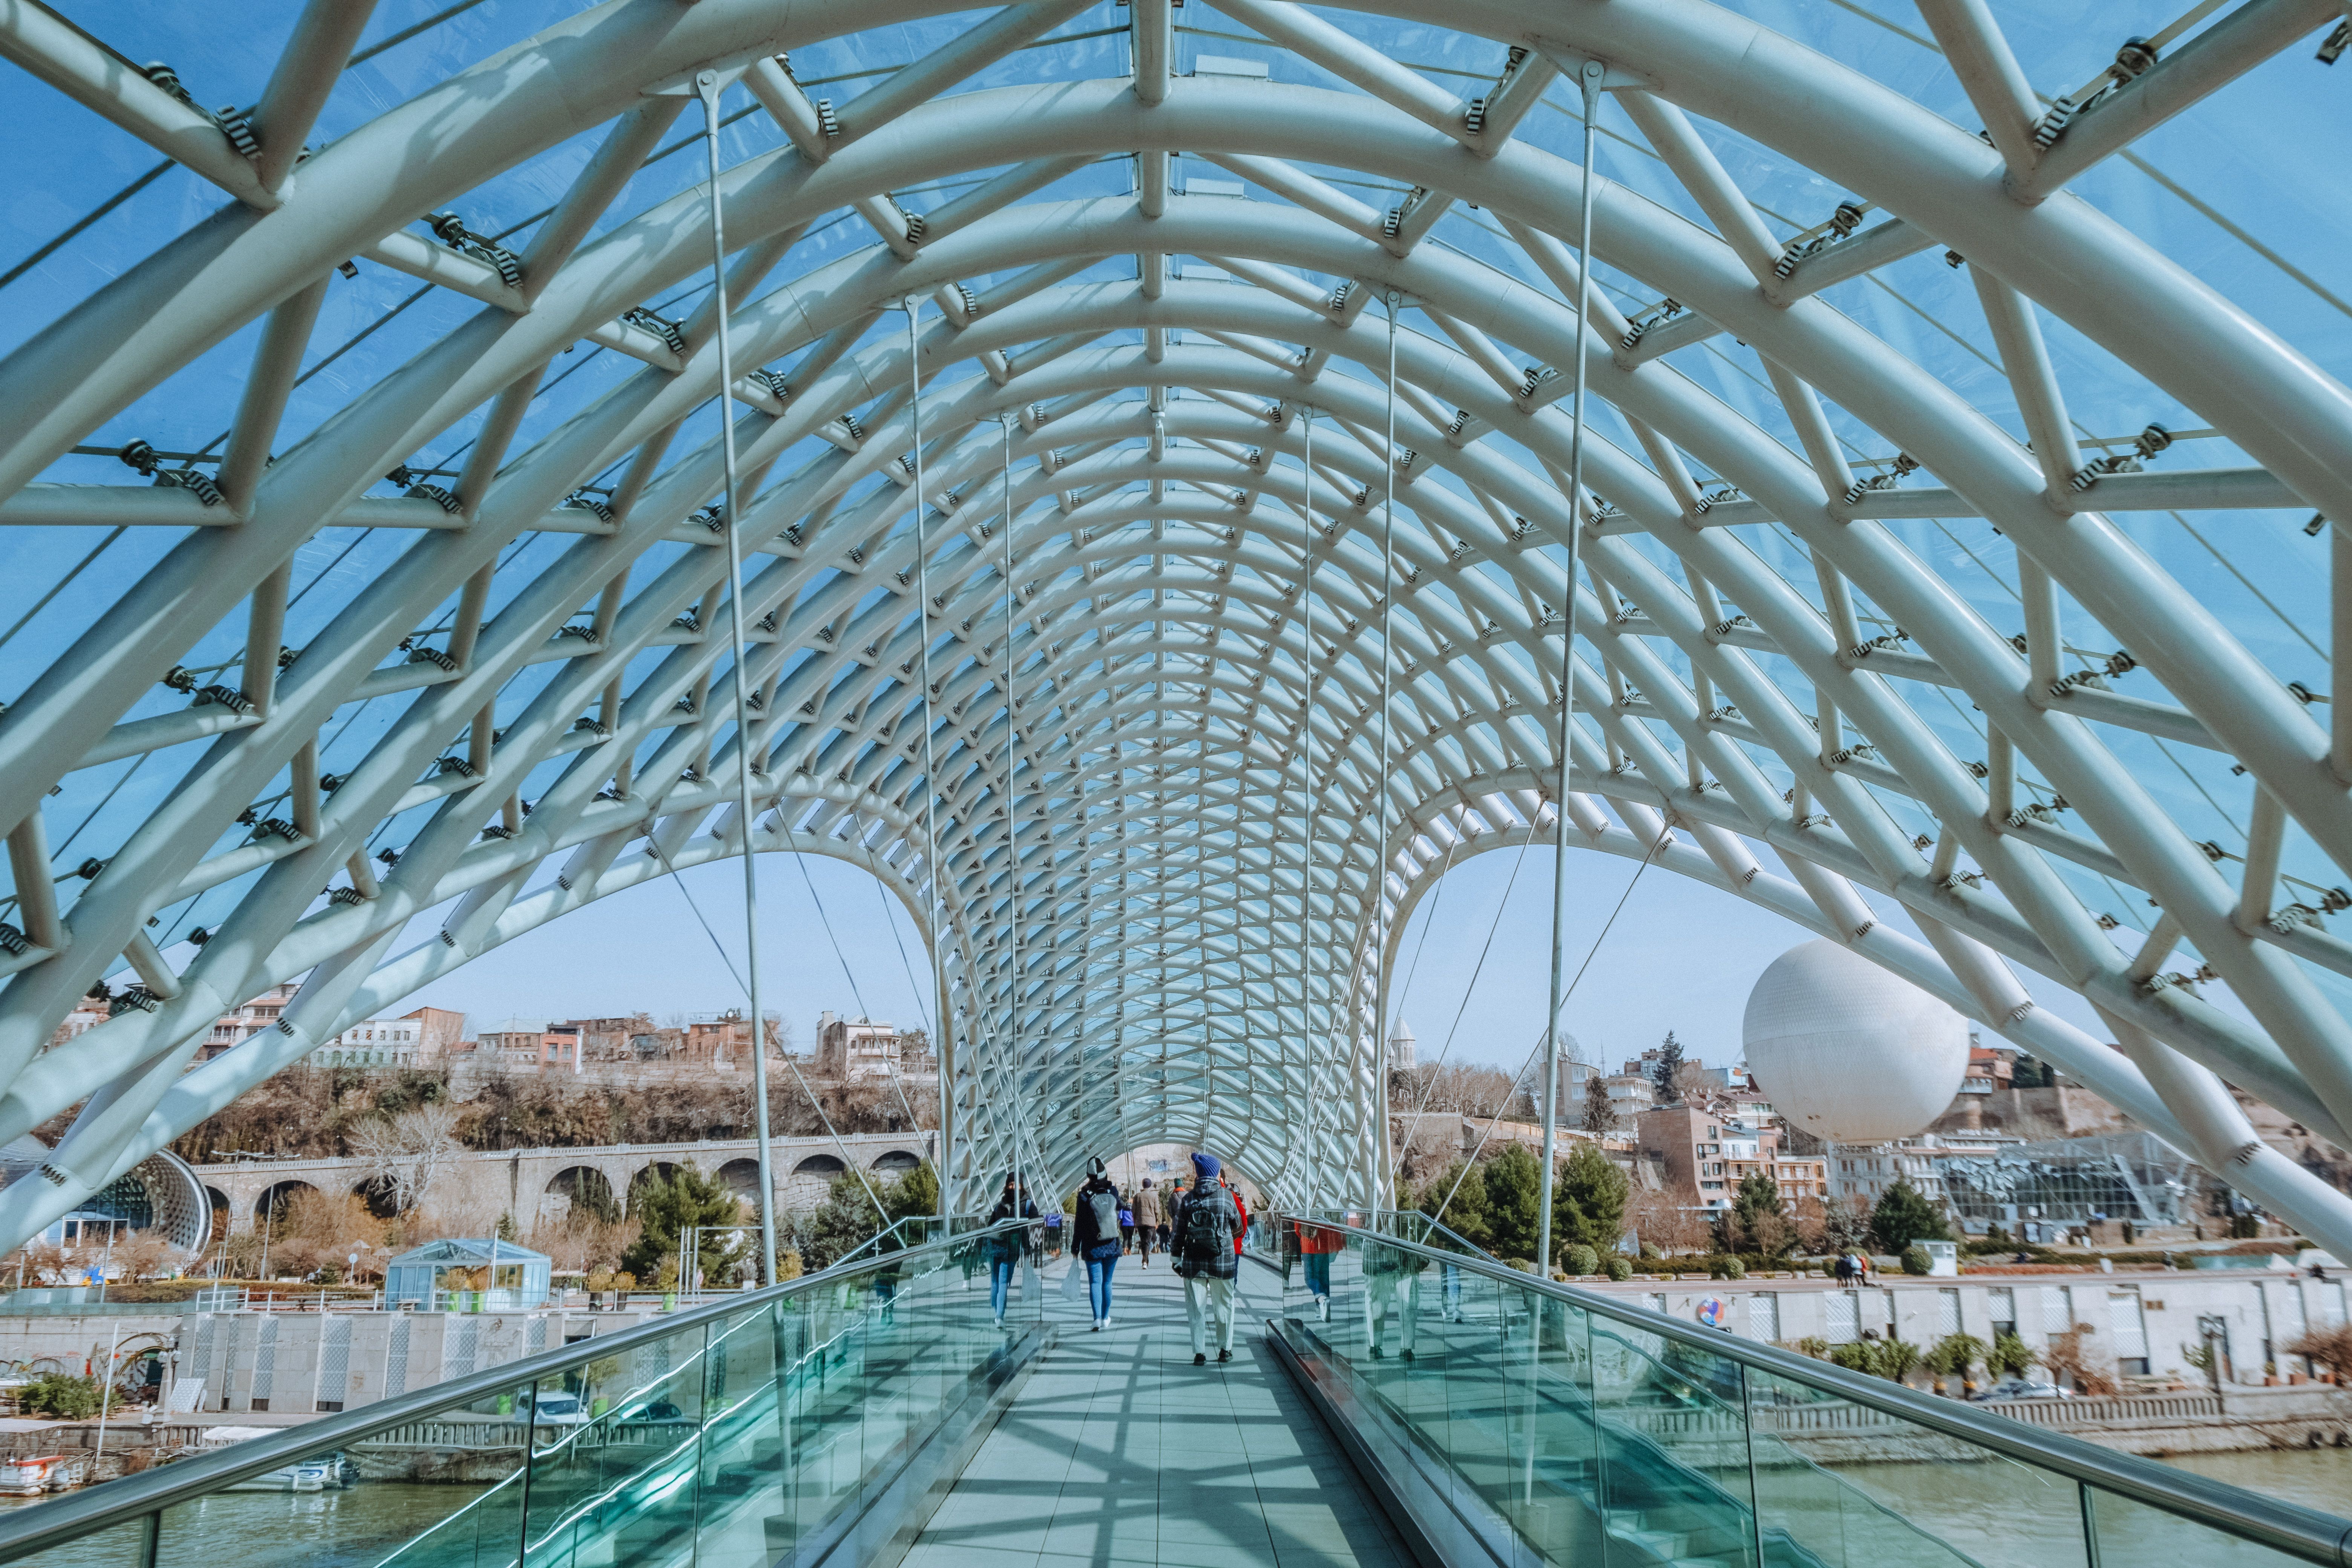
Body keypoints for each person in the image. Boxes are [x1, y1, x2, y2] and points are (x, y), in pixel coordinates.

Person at [1172, 1153, 1244, 1364]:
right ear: (1215, 1173)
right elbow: (1239, 1226)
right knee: (1224, 1306)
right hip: (1223, 1261)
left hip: (1193, 1262)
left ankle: (1199, 1353)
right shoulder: (1226, 1197)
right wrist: (1225, 1238)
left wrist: (1176, 1258)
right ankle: (1225, 1350)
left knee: (1196, 1309)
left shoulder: (1188, 1199)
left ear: (1198, 1174)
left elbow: (1179, 1232)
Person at [1073, 1156, 1123, 1331]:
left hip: (1091, 1244)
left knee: (1095, 1282)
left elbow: (1079, 1222)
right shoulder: (1113, 1191)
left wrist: (1075, 1246)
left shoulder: (1083, 1195)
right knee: (1107, 1283)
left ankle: (1096, 1319)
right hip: (1111, 1242)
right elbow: (1120, 1208)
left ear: (1089, 1175)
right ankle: (1106, 1317)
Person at [985, 1173, 1038, 1329]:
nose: (1014, 1188)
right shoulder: (999, 1206)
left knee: (1002, 1282)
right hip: (996, 1248)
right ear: (1006, 1186)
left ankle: (998, 1314)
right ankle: (998, 1315)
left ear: (1022, 1186)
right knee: (997, 1282)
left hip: (1012, 1249)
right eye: (1011, 1185)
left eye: (1017, 1185)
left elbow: (1035, 1226)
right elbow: (990, 1227)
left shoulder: (1028, 1205)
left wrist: (1029, 1249)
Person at [1296, 1216, 1342, 1320]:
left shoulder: (1304, 1208)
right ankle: (1326, 1309)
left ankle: (1323, 1300)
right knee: (1324, 1278)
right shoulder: (1323, 1211)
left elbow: (1298, 1229)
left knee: (1310, 1278)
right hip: (1324, 1248)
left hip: (1309, 1248)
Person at [1132, 1180, 1163, 1267]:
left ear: (1143, 1185)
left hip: (1140, 1222)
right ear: (1150, 1186)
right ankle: (1145, 1261)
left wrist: (1135, 1221)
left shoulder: (1137, 1197)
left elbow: (1133, 1211)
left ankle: (1145, 1261)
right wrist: (1156, 1220)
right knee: (1148, 1241)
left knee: (1144, 1241)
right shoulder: (1154, 1196)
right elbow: (1157, 1211)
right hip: (1151, 1223)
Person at [1118, 1188, 1137, 1255]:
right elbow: (1135, 1217)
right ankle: (1130, 1250)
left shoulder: (1123, 1210)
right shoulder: (1133, 1210)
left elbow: (1120, 1217)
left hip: (1124, 1225)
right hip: (1132, 1225)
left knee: (1125, 1238)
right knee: (1130, 1238)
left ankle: (1125, 1250)